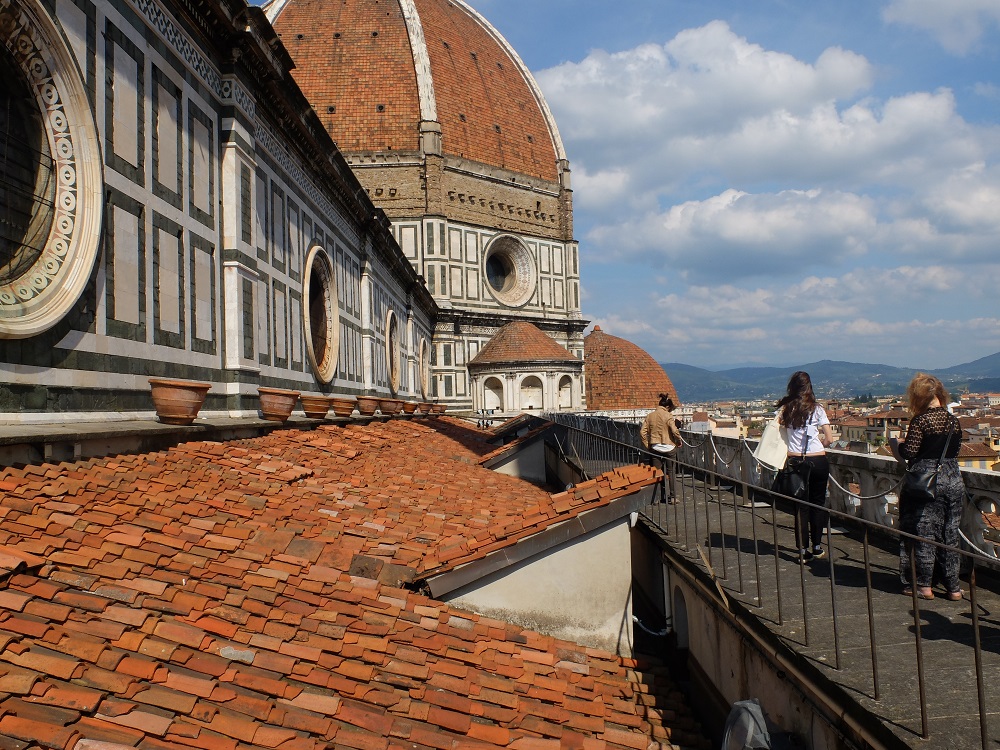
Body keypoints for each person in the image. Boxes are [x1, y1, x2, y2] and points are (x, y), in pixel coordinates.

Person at [897, 373, 965, 601]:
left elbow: (909, 453)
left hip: (925, 481)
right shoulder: (953, 421)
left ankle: (924, 585)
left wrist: (899, 446)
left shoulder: (921, 421)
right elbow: (954, 452)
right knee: (950, 533)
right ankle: (953, 588)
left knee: (922, 532)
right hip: (953, 478)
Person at [775, 371, 833, 560]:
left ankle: (802, 551)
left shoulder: (786, 409)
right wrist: (819, 446)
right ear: (809, 387)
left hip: (796, 462)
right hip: (818, 460)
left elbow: (775, 431)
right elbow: (830, 439)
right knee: (818, 504)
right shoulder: (817, 409)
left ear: (792, 387)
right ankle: (817, 546)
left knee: (801, 507)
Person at [641, 393, 682, 503]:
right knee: (671, 472)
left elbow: (642, 432)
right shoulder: (668, 416)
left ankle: (657, 497)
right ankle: (672, 497)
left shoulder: (650, 416)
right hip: (669, 447)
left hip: (655, 448)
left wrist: (648, 445)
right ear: (667, 407)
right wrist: (678, 441)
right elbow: (674, 431)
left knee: (657, 473)